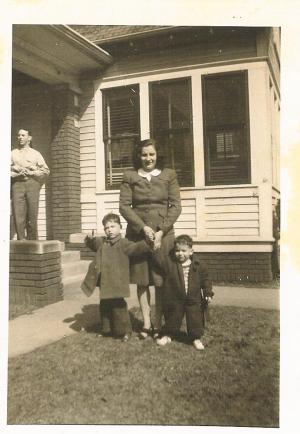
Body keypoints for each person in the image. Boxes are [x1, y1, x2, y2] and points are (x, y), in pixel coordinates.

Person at [119, 139, 182, 339]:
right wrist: (143, 228)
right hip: (138, 237)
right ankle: (147, 324)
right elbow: (124, 207)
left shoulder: (169, 175)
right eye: (144, 154)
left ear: (157, 155)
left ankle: (159, 322)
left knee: (162, 280)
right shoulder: (130, 176)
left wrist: (161, 231)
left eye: (151, 154)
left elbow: (176, 206)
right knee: (142, 281)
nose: (148, 158)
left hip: (163, 236)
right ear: (139, 156)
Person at [81, 213, 151, 341]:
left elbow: (136, 248)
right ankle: (106, 330)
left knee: (119, 307)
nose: (110, 230)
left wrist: (148, 243)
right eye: (107, 228)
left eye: (113, 226)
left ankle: (125, 331)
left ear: (120, 227)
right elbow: (93, 244)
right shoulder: (102, 242)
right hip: (105, 281)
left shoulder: (124, 243)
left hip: (118, 281)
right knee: (105, 306)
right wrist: (90, 239)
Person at [153, 235, 214, 351]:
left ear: (191, 251)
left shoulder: (198, 265)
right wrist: (156, 249)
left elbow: (206, 280)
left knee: (195, 318)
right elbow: (158, 261)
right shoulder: (170, 263)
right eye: (177, 251)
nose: (180, 254)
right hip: (175, 297)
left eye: (183, 251)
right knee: (172, 317)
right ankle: (168, 334)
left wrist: (208, 293)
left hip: (193, 298)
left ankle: (195, 338)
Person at [11, 128, 50, 240]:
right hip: (17, 184)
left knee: (32, 214)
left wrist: (32, 172)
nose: (20, 138)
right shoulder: (13, 153)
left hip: (32, 184)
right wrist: (15, 172)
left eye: (23, 135)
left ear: (29, 138)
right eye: (19, 135)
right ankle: (21, 241)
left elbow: (46, 171)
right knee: (18, 215)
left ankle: (32, 242)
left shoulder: (35, 154)